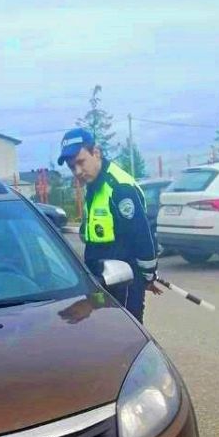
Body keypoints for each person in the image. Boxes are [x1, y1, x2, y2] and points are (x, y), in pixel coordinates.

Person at [57, 128, 162, 323]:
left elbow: (142, 237)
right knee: (102, 332)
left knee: (126, 334)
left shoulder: (119, 188)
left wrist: (147, 277)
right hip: (101, 280)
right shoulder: (95, 186)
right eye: (72, 167)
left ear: (96, 153)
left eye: (81, 162)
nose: (77, 172)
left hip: (125, 282)